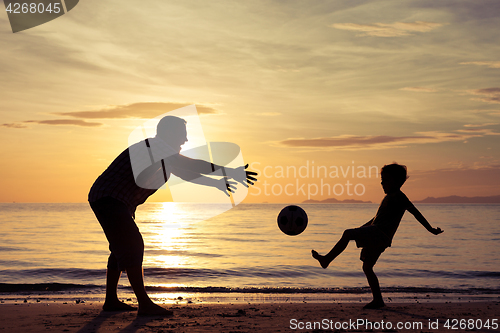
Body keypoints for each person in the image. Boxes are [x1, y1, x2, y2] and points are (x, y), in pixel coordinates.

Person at [89, 115, 257, 316]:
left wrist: (216, 182)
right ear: (169, 134)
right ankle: (144, 304)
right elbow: (191, 165)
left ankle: (111, 301)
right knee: (132, 245)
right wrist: (228, 171)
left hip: (113, 199)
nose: (185, 140)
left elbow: (185, 172)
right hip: (109, 198)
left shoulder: (164, 155)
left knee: (120, 247)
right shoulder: (155, 147)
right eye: (182, 135)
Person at [311, 163, 443, 309]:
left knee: (347, 234)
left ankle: (326, 259)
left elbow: (416, 213)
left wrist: (430, 229)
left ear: (397, 181)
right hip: (380, 235)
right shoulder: (388, 197)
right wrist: (363, 228)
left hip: (379, 234)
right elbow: (376, 219)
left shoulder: (400, 197)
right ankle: (378, 300)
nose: (382, 183)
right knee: (367, 267)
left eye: (385, 179)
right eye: (381, 179)